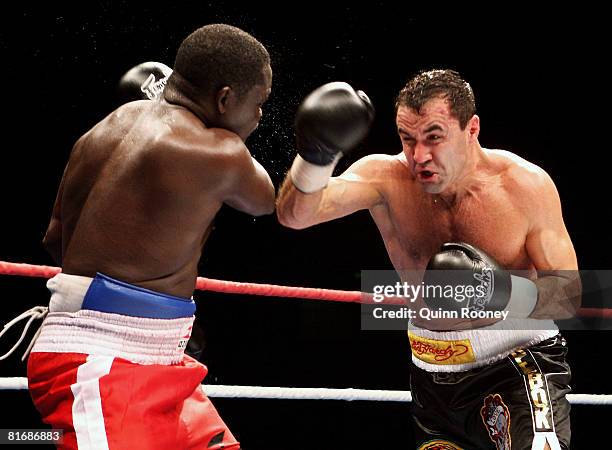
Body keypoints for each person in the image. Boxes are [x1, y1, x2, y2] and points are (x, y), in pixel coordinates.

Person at [276, 70, 580, 450]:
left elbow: (569, 296)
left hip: (517, 364)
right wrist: (316, 156)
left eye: (434, 137)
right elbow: (295, 215)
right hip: (431, 374)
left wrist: (498, 291)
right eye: (407, 139)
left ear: (472, 129)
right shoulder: (385, 178)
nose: (419, 155)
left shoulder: (523, 186)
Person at [27, 24, 274, 450]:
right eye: (258, 104)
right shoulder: (218, 152)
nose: (259, 117)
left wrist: (148, 306)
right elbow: (269, 202)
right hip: (102, 365)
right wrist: (318, 156)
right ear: (225, 99)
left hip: (155, 357)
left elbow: (55, 239)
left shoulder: (104, 128)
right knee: (23, 440)